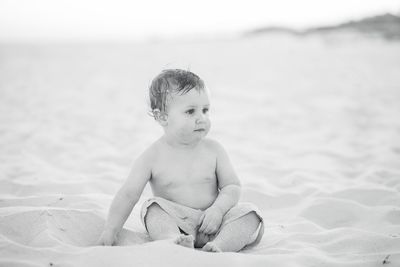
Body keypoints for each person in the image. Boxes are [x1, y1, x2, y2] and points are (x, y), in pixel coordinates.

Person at [97, 69, 264, 252]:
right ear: (162, 117)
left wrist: (218, 210)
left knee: (250, 213)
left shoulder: (214, 150)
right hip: (177, 222)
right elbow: (128, 194)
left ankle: (220, 245)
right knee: (152, 208)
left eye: (205, 110)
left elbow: (232, 186)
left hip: (215, 221)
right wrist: (111, 229)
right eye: (191, 111)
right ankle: (172, 240)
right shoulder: (151, 157)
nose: (202, 118)